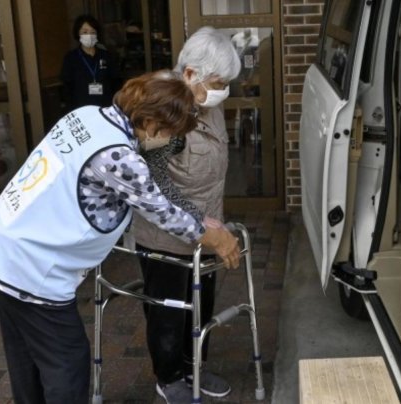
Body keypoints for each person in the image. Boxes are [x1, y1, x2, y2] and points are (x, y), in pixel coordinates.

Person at [0, 70, 241, 404]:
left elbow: (150, 190)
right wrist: (214, 238)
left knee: (26, 357)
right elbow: (160, 210)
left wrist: (199, 216)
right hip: (31, 265)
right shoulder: (118, 155)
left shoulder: (88, 116)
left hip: (2, 244)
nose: (169, 141)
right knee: (66, 364)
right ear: (152, 123)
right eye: (170, 132)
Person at [132, 26, 241, 403]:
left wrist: (209, 223)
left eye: (226, 82)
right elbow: (155, 182)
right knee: (169, 312)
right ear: (191, 74)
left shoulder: (209, 105)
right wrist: (197, 219)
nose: (223, 89)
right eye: (217, 81)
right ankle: (170, 377)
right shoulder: (164, 108)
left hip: (204, 229)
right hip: (165, 234)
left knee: (201, 306)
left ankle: (196, 367)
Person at [61, 14, 120, 110]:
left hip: (105, 108)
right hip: (81, 109)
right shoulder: (71, 58)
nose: (89, 35)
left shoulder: (106, 56)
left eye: (93, 32)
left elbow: (116, 82)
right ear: (78, 33)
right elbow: (67, 88)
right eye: (85, 32)